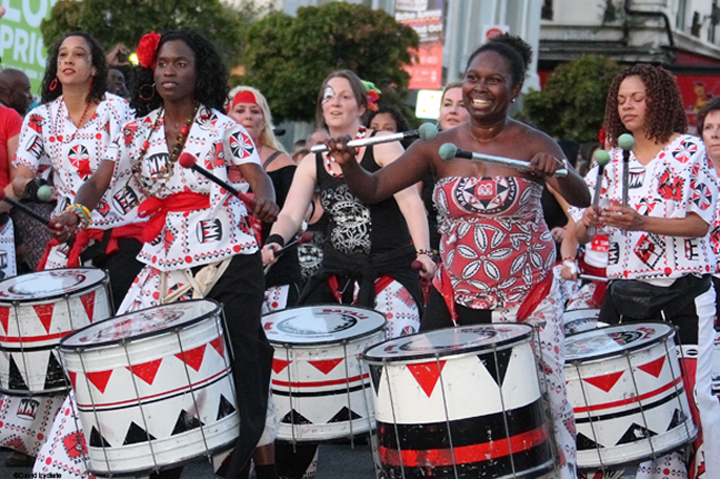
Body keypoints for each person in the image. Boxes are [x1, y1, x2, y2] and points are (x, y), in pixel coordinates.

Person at [327, 36, 589, 479]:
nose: (479, 88)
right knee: (448, 404)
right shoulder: (438, 147)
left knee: (550, 400)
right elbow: (373, 188)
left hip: (528, 296)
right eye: (472, 78)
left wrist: (557, 170)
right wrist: (349, 164)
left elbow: (580, 197)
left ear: (516, 88)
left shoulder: (533, 143)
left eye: (494, 80)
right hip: (457, 296)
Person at [38, 30, 279, 479]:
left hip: (229, 260)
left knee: (244, 368)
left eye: (181, 63)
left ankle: (240, 463)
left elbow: (257, 177)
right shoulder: (136, 130)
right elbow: (99, 179)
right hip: (164, 265)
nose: (169, 70)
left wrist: (266, 198)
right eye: (163, 63)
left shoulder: (223, 127)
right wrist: (76, 211)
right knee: (148, 370)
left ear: (200, 71)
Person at [263, 70, 435, 479]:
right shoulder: (312, 160)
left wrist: (426, 254)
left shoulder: (383, 147)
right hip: (337, 279)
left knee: (391, 378)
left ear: (361, 106)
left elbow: (412, 203)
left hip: (389, 275)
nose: (334, 102)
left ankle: (395, 469)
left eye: (344, 96)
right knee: (304, 372)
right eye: (327, 96)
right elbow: (291, 212)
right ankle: (298, 467)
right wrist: (273, 242)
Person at [0, 31, 141, 470]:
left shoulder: (118, 110)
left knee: (112, 336)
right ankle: (50, 439)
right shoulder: (40, 118)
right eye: (62, 54)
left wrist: (77, 209)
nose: (69, 60)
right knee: (56, 337)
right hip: (68, 235)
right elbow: (22, 172)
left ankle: (117, 437)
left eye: (79, 54)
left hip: (124, 231)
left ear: (94, 67)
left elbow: (105, 172)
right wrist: (26, 184)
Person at [576, 64, 720, 479]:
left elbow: (700, 224)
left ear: (658, 99)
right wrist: (586, 220)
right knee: (622, 398)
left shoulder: (688, 151)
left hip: (685, 293)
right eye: (621, 100)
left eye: (637, 98)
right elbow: (581, 231)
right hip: (625, 294)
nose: (627, 107)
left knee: (696, 396)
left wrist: (641, 223)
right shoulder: (610, 158)